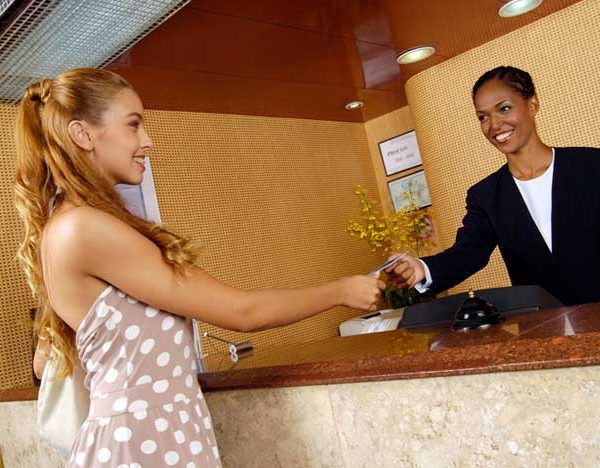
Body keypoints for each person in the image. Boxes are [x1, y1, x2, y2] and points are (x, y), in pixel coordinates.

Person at [14, 68, 385, 467]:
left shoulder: (70, 226)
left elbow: (50, 359)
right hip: (139, 444)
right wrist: (341, 291)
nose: (147, 141)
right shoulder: (83, 228)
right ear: (83, 134)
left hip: (151, 438)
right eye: (133, 125)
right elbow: (241, 312)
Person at [387, 65, 600, 306]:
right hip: (544, 323)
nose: (494, 124)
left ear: (532, 104)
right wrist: (422, 269)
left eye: (504, 108)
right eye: (483, 117)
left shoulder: (592, 166)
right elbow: (469, 252)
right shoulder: (486, 196)